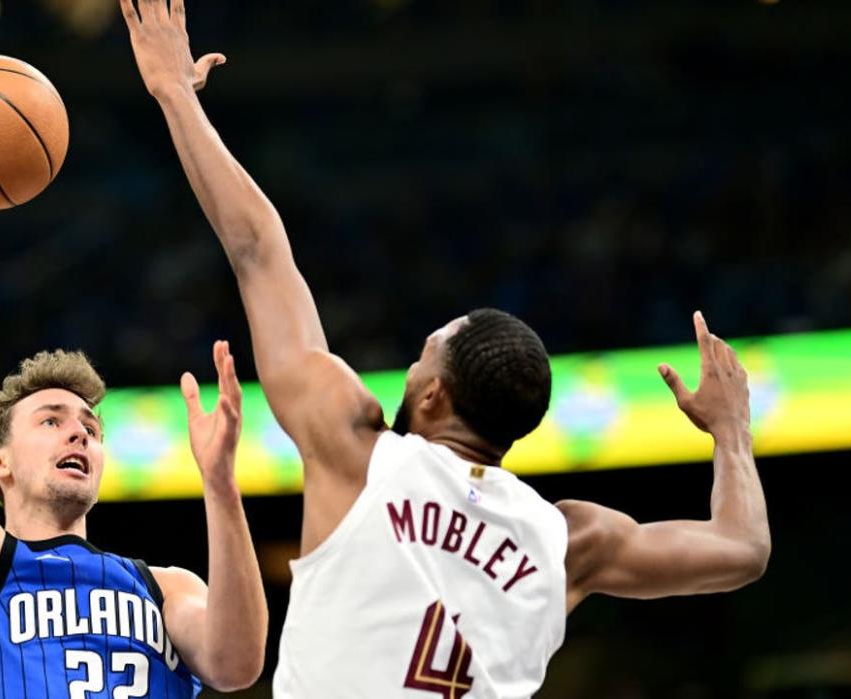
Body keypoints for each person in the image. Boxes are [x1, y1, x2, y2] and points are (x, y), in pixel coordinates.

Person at [119, 1, 772, 695]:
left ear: (433, 394)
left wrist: (174, 95)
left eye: (422, 355)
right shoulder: (568, 540)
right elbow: (743, 549)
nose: (409, 366)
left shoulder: (356, 449)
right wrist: (730, 431)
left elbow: (257, 248)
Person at [0, 107, 267, 698]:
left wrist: (220, 484)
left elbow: (237, 663)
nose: (80, 435)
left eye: (91, 427)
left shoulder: (165, 589)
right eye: (51, 420)